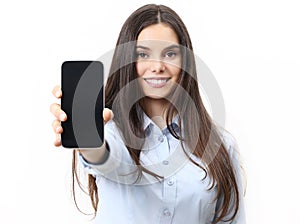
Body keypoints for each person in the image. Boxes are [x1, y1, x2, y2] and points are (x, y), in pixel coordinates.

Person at [50, 4, 246, 224]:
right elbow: (105, 157)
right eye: (143, 54)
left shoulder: (221, 145)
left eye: (170, 54)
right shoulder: (110, 133)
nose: (157, 66)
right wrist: (88, 142)